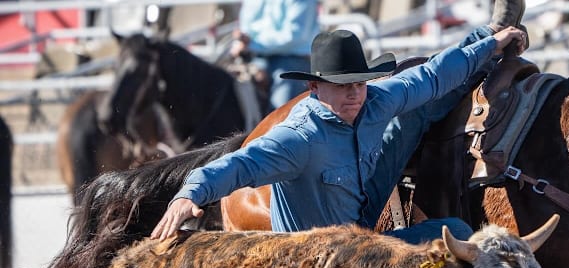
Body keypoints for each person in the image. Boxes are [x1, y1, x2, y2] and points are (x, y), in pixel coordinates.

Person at [151, 1, 526, 247]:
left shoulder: (375, 100)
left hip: (357, 228)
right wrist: (190, 194)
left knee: (420, 106)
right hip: (319, 260)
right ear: (314, 87)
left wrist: (489, 44)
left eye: (360, 83)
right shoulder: (298, 138)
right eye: (343, 86)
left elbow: (432, 76)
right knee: (458, 235)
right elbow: (240, 165)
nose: (355, 94)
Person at [231, 0, 320, 115]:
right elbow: (246, 26)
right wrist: (241, 41)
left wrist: (251, 43)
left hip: (292, 58)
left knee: (280, 109)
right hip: (255, 57)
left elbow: (294, 35)